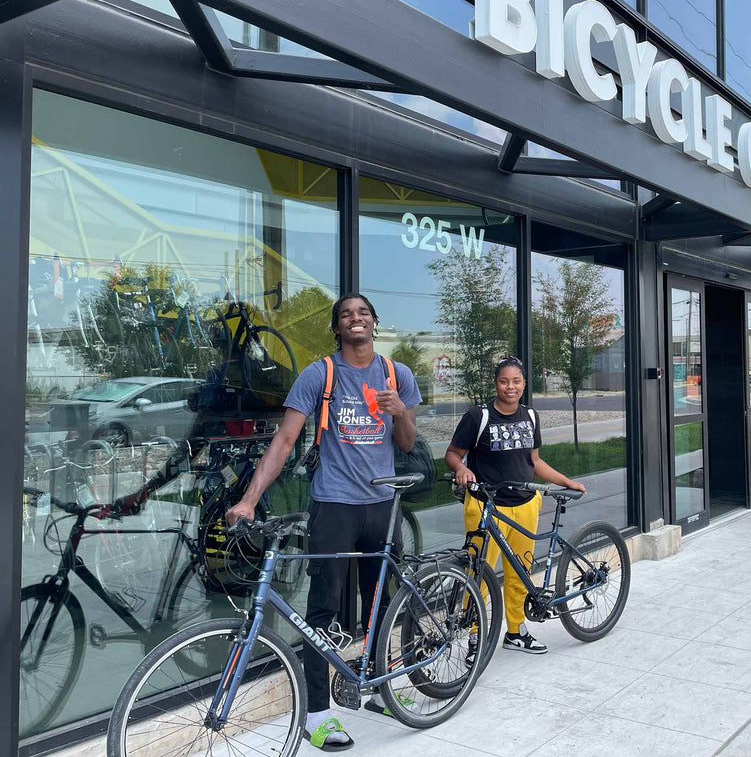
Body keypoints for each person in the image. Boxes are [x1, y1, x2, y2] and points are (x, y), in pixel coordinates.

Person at [226, 293, 421, 750]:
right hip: (334, 504)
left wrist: (397, 413)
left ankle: (377, 685)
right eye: (346, 315)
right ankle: (318, 715)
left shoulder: (398, 375)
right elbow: (286, 438)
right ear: (337, 328)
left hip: (383, 503)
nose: (356, 319)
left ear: (375, 323)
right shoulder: (321, 374)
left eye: (363, 313)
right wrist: (250, 499)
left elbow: (409, 442)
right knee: (321, 609)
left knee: (381, 601)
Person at [444, 356, 586, 655]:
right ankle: (475, 637)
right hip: (485, 506)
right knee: (477, 573)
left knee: (519, 572)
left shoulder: (530, 417)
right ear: (495, 384)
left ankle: (515, 632)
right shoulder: (477, 417)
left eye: (516, 381)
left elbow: (534, 462)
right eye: (504, 381)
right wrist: (461, 469)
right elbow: (453, 454)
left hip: (525, 505)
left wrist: (566, 481)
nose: (510, 387)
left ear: (524, 384)